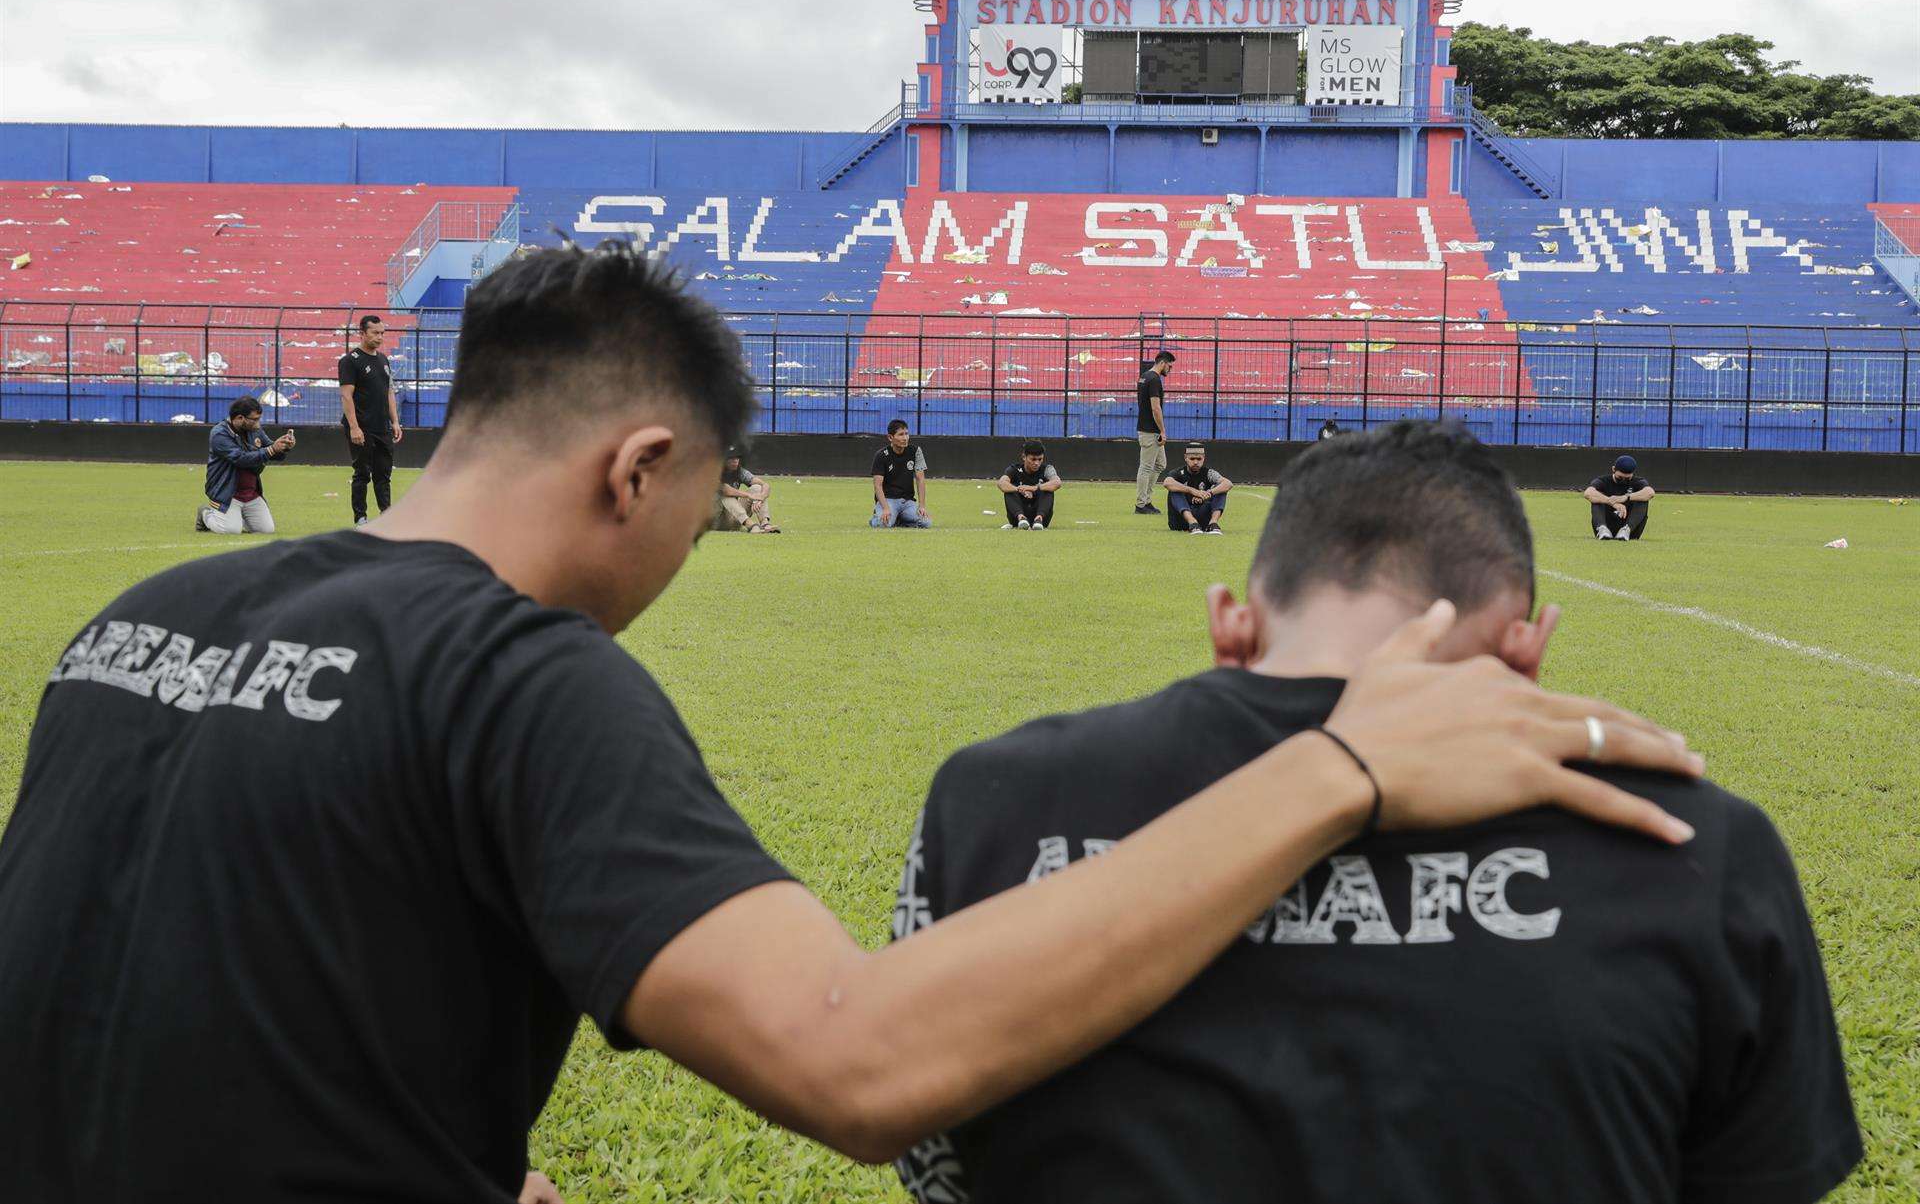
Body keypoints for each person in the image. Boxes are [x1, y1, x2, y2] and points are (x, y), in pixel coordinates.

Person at [0, 245, 1704, 1204]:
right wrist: (1339, 765)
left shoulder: (139, 620)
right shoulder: (518, 675)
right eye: (708, 499)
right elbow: (860, 1061)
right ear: (641, 469)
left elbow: (162, 1016)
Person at [893, 421, 1857, 1204]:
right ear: (1527, 649)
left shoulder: (993, 796)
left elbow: (933, 1156)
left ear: (1232, 621)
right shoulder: (1698, 841)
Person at [195, 395, 294, 535]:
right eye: (255, 419)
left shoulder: (255, 430)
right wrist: (272, 449)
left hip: (250, 493)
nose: (258, 423)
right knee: (230, 530)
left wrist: (284, 446)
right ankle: (206, 514)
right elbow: (240, 459)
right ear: (240, 418)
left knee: (266, 530)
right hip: (227, 493)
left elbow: (271, 451)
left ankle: (236, 516)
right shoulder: (219, 434)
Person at [339, 313, 402, 525]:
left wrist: (395, 421)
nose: (379, 337)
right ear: (362, 333)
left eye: (382, 333)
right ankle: (361, 518)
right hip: (362, 427)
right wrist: (354, 427)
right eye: (375, 333)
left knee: (383, 475)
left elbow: (389, 392)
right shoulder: (350, 361)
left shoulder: (383, 360)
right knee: (362, 473)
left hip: (382, 427)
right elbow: (346, 395)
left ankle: (387, 516)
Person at [871, 419, 932, 528]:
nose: (905, 438)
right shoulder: (881, 455)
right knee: (882, 524)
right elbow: (877, 485)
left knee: (926, 523)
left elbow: (920, 479)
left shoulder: (916, 451)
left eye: (906, 434)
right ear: (890, 437)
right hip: (888, 500)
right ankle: (877, 517)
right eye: (901, 435)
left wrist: (922, 506)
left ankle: (898, 519)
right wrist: (885, 508)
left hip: (907, 502)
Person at [1134, 350, 1174, 514]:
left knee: (1160, 464)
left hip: (1147, 429)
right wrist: (1163, 431)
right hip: (1150, 431)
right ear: (1163, 363)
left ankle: (1146, 499)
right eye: (1169, 366)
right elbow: (1155, 408)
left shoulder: (1144, 376)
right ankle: (1141, 504)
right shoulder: (1154, 380)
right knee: (1146, 467)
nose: (1170, 370)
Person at [1164, 444, 1233, 534]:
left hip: (1202, 519)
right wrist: (1194, 491)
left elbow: (1228, 483)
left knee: (1221, 489)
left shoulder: (1208, 473)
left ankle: (1213, 524)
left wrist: (1209, 493)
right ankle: (1192, 523)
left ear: (1203, 458)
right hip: (1180, 522)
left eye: (1199, 459)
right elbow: (1167, 482)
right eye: (1192, 459)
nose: (1196, 462)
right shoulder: (1178, 473)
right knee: (1174, 490)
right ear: (1185, 458)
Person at [1586, 454, 1654, 539]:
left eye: (1627, 478)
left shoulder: (1638, 482)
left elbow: (1650, 492)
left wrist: (1626, 497)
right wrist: (1611, 502)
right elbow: (1588, 493)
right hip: (1607, 524)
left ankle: (1626, 530)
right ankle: (1602, 529)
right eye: (1620, 477)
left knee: (1643, 498)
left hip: (1630, 530)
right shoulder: (1603, 481)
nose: (1623, 481)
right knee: (1597, 498)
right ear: (1613, 469)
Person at [997, 441, 1062, 530]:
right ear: (1024, 457)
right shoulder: (1014, 469)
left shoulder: (1047, 469)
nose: (1037, 463)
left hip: (1042, 517)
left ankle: (1038, 519)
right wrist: (1019, 489)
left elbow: (1057, 483)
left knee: (1048, 489)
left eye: (1040, 459)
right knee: (1009, 490)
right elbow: (1001, 483)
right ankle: (1021, 518)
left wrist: (1034, 488)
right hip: (1017, 517)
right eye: (1033, 459)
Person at [716, 449, 778, 533]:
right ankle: (751, 525)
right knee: (725, 495)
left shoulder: (739, 471)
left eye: (737, 458)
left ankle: (765, 524)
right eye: (731, 458)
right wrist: (749, 495)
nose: (735, 460)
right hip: (714, 520)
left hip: (732, 518)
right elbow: (725, 490)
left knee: (757, 488)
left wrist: (760, 498)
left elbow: (765, 485)